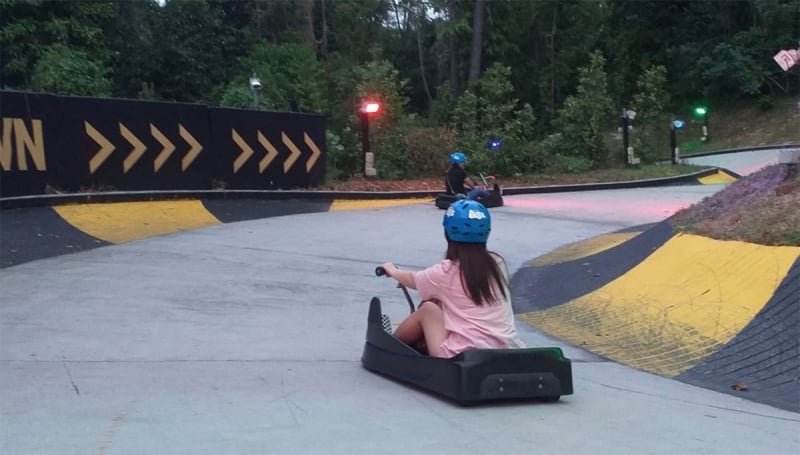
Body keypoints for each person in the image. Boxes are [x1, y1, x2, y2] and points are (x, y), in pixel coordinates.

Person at [380, 199, 525, 358]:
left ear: (447, 233)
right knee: (442, 304)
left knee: (428, 309)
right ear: (487, 232)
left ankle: (389, 346)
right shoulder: (497, 264)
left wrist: (392, 271)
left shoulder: (446, 271)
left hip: (462, 354)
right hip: (505, 348)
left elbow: (412, 279)